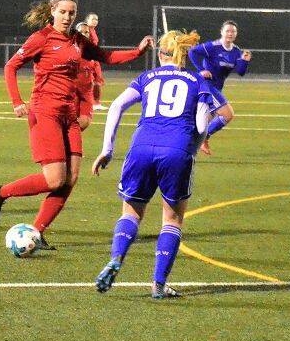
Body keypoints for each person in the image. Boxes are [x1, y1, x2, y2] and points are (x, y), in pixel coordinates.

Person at [0, 0, 154, 248]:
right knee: (54, 179)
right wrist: (17, 101)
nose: (67, 17)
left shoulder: (78, 40)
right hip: (45, 113)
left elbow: (105, 56)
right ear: (53, 11)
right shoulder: (41, 38)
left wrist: (138, 52)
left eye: (71, 13)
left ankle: (38, 231)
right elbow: (11, 67)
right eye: (62, 12)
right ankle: (1, 193)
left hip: (69, 116)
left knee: (71, 178)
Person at [92, 29, 220, 298]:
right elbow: (200, 125)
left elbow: (116, 106)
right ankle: (158, 285)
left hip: (141, 148)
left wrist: (107, 149)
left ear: (160, 54)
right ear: (182, 55)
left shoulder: (146, 77)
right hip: (177, 150)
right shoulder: (198, 81)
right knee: (172, 220)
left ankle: (116, 258)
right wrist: (198, 139)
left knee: (131, 213)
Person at [188, 20, 252, 155]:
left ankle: (186, 147)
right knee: (228, 114)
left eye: (233, 31)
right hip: (207, 86)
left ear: (236, 34)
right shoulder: (213, 46)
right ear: (222, 32)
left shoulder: (236, 52)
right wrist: (201, 70)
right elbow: (192, 52)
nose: (230, 33)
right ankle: (204, 139)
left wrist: (245, 61)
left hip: (217, 88)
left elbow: (240, 72)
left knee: (202, 122)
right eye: (227, 31)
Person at [74, 22, 99, 131]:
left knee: (85, 121)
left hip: (87, 92)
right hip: (72, 91)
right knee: (71, 123)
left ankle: (67, 138)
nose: (84, 34)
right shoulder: (70, 49)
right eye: (81, 32)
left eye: (86, 32)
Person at [84, 12, 106, 110]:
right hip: (89, 59)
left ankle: (96, 103)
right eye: (93, 19)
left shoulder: (93, 30)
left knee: (98, 80)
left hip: (94, 59)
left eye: (96, 19)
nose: (95, 21)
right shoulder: (85, 30)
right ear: (87, 20)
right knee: (88, 81)